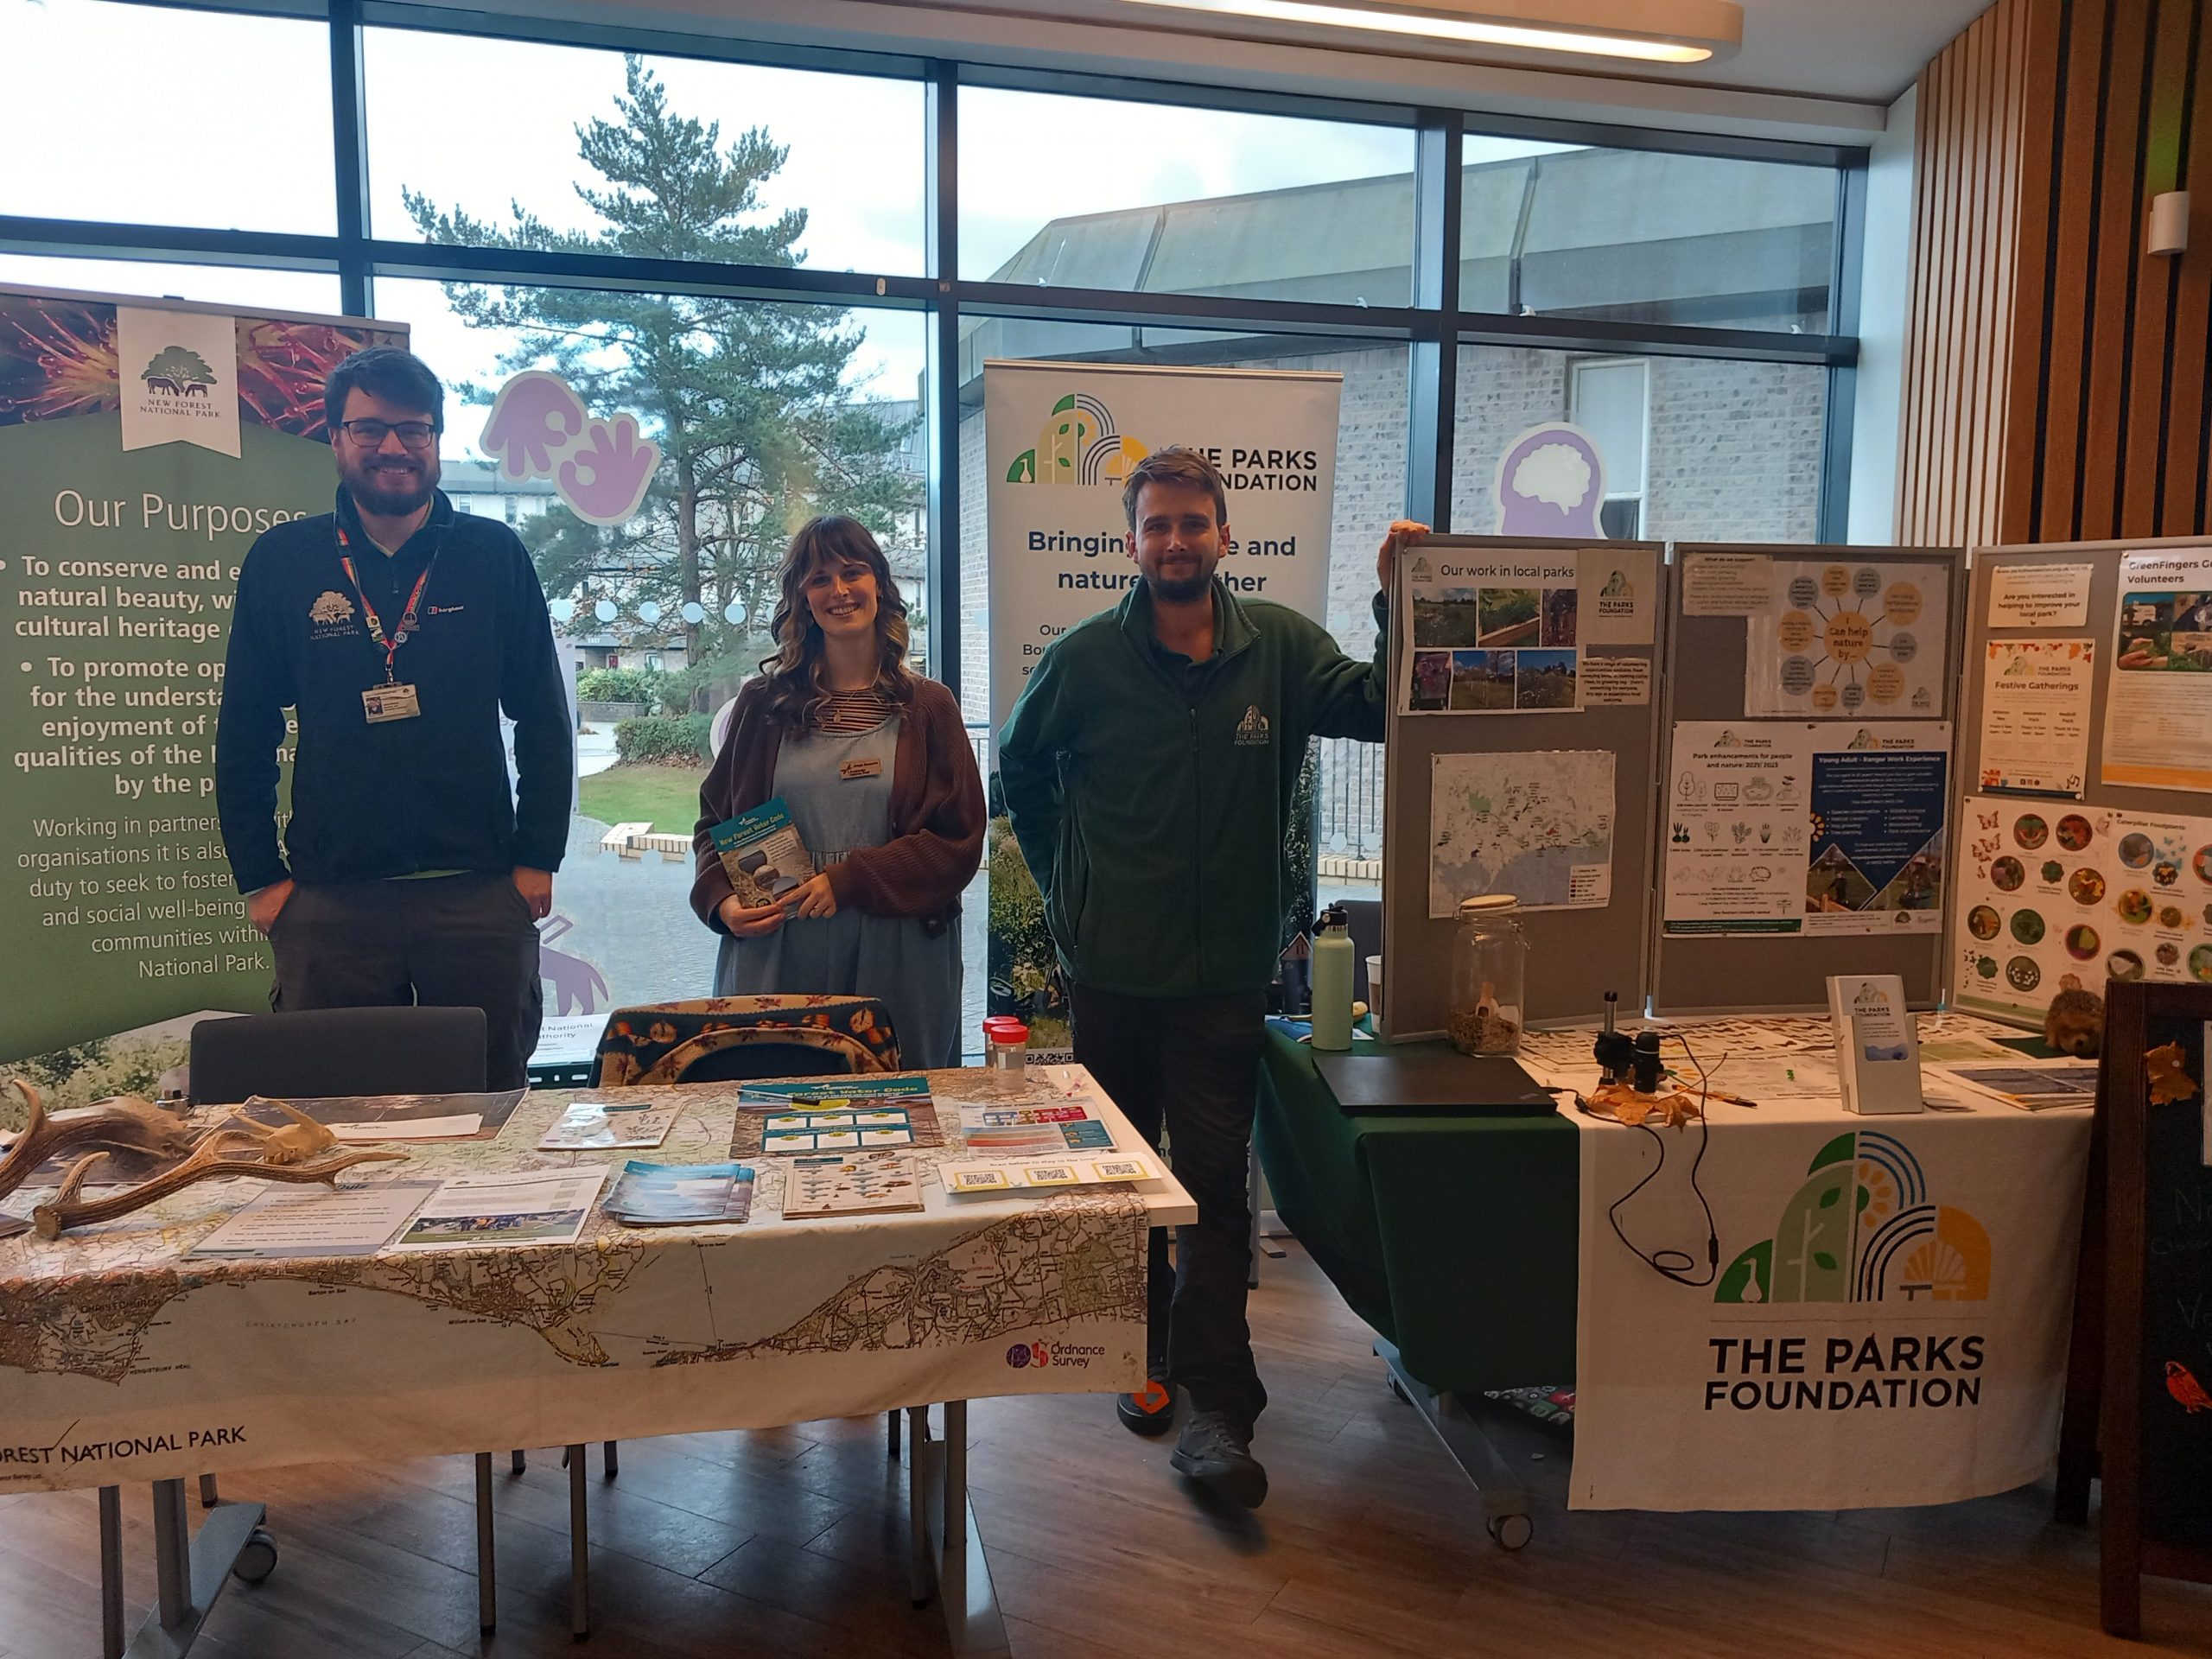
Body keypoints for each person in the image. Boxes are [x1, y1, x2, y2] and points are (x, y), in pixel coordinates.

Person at [998, 444, 1422, 1509]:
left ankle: (1220, 1409)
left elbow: (1381, 707)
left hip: (1224, 977)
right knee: (1125, 1179)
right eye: (1157, 524)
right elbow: (1020, 766)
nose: (1176, 540)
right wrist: (1066, 889)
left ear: (1225, 535)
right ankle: (1141, 1352)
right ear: (1130, 542)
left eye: (1193, 523)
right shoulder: (1085, 659)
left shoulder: (1278, 646)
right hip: (1111, 971)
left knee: (1214, 1191)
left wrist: (1396, 599)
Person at [215, 346, 571, 1091]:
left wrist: (538, 856)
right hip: (331, 901)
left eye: (415, 429)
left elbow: (542, 714)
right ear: (335, 437)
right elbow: (246, 730)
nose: (394, 447)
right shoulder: (284, 561)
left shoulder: (493, 555)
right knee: (332, 1114)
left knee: (489, 1103)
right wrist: (261, 879)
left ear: (435, 439)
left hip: (478, 891)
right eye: (370, 428)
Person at [689, 516, 983, 1067]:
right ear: (802, 598)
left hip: (897, 949)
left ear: (880, 585)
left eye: (853, 572)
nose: (839, 590)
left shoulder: (929, 708)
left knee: (895, 1104)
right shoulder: (761, 706)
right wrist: (720, 901)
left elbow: (959, 843)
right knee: (773, 1099)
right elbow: (714, 825)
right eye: (820, 579)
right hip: (778, 944)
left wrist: (850, 881)